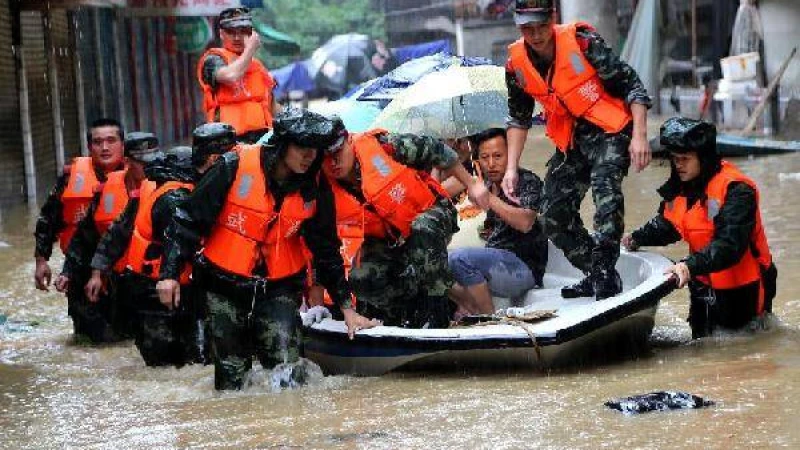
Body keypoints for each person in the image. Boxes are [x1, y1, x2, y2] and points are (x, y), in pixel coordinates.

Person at [156, 109, 378, 390]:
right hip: (223, 285)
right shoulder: (232, 167)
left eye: (315, 149)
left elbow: (326, 249)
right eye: (302, 147)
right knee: (231, 378)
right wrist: (169, 274)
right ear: (283, 144)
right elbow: (187, 221)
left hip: (278, 288)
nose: (310, 156)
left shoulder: (315, 187)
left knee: (288, 370)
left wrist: (347, 307)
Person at [503, 0, 652, 300]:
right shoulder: (516, 66)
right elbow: (519, 118)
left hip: (610, 130)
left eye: (542, 26)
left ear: (553, 18)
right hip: (572, 140)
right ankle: (594, 272)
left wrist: (640, 136)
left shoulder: (584, 43)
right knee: (552, 214)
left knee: (605, 196)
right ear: (519, 26)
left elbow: (633, 85)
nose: (536, 34)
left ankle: (607, 276)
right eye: (528, 28)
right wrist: (510, 168)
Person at [320, 124, 490, 328]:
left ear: (349, 141)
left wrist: (471, 183)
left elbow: (438, 149)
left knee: (422, 229)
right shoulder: (321, 184)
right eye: (326, 157)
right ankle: (405, 314)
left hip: (432, 215)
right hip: (390, 239)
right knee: (361, 275)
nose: (334, 162)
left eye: (337, 152)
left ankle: (437, 314)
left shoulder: (385, 146)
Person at [85, 128, 229, 366]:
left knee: (189, 358)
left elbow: (117, 233)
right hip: (152, 292)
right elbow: (118, 234)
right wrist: (97, 271)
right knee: (165, 363)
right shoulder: (173, 200)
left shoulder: (155, 191)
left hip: (174, 289)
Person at [623, 118, 777, 338]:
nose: (678, 165)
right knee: (702, 349)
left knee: (742, 357)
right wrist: (634, 238)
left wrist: (688, 265)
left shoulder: (737, 190)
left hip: (743, 292)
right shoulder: (681, 186)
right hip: (702, 289)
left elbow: (729, 245)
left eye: (685, 159)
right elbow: (669, 225)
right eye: (674, 159)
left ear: (704, 159)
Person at [55, 132, 162, 343]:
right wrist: (69, 272)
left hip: (153, 282)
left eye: (154, 161)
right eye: (143, 163)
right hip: (117, 282)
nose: (150, 167)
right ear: (128, 162)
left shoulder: (165, 189)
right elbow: (84, 238)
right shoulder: (106, 192)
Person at [33, 118, 126, 337]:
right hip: (80, 269)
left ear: (123, 145)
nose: (104, 147)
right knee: (88, 341)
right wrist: (41, 261)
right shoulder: (70, 179)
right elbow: (48, 220)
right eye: (97, 142)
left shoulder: (140, 176)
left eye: (111, 141)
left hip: (125, 274)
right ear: (89, 147)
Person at [448, 128, 548, 315]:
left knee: (459, 258)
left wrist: (489, 199)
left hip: (523, 268)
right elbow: (437, 193)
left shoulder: (527, 180)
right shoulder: (482, 181)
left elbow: (525, 223)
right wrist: (439, 165)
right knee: (434, 265)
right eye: (485, 157)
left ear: (510, 155)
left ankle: (489, 318)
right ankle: (471, 308)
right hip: (494, 261)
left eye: (498, 156)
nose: (491, 164)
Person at [197, 7, 276, 143]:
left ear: (251, 33)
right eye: (231, 32)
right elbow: (231, 76)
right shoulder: (213, 59)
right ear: (221, 33)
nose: (237, 37)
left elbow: (272, 105)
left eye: (243, 31)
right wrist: (250, 49)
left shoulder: (257, 66)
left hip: (262, 141)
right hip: (227, 144)